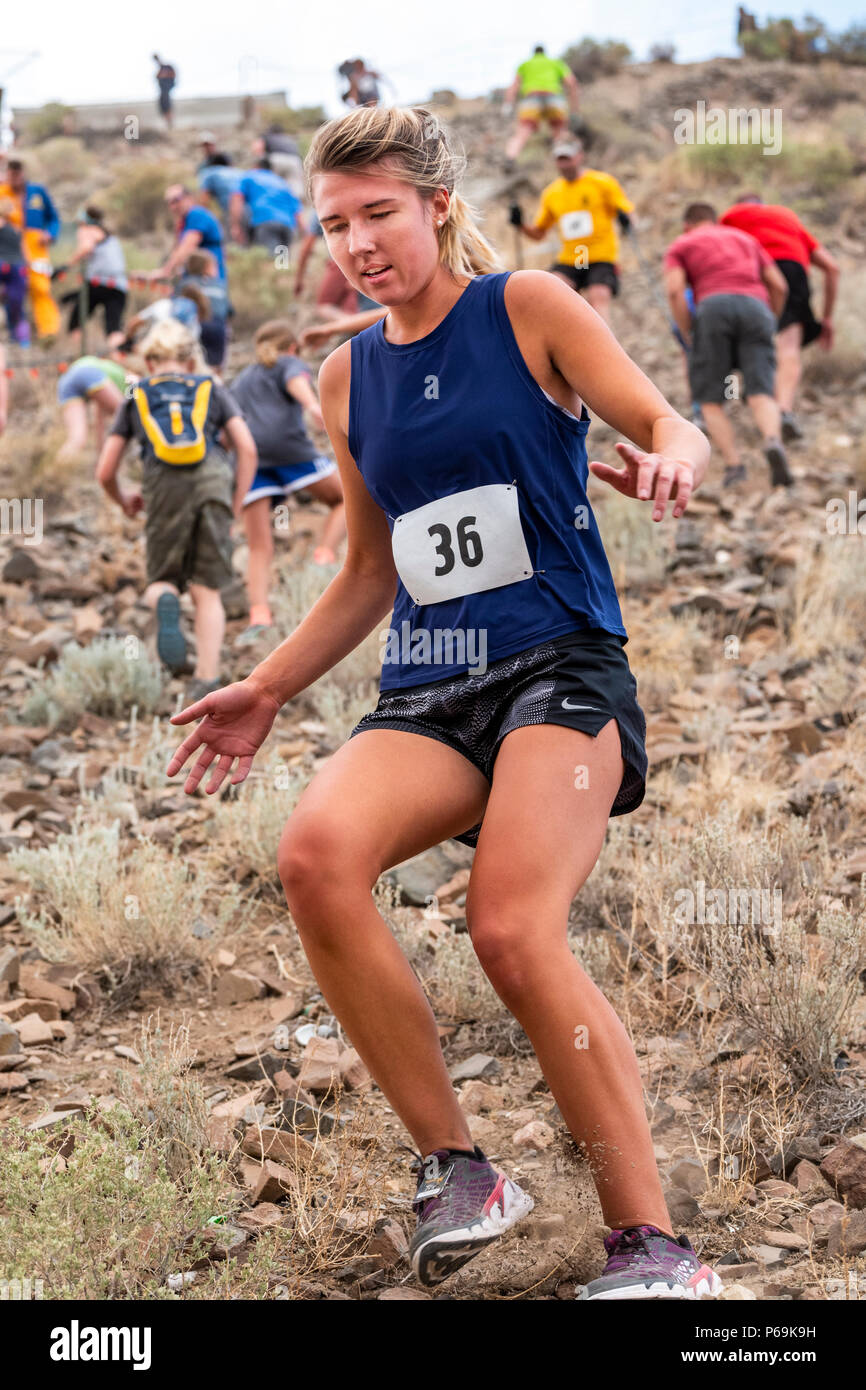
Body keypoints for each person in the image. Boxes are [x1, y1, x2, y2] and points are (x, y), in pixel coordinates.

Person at [166, 104, 723, 1302]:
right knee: (314, 853)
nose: (359, 242)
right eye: (335, 225)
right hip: (429, 685)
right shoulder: (342, 373)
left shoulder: (526, 307)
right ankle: (462, 1171)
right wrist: (264, 689)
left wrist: (677, 452)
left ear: (435, 206)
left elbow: (659, 418)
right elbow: (370, 569)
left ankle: (653, 1248)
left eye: (379, 214)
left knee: (510, 928)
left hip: (560, 671)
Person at [96, 320, 257, 704]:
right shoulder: (212, 388)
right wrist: (235, 504)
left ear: (149, 361)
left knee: (160, 579)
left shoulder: (136, 393)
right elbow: (247, 448)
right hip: (214, 479)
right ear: (190, 360)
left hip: (164, 485)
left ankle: (166, 597)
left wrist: (124, 500)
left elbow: (105, 470)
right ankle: (206, 677)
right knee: (208, 588)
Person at [230, 318, 346, 638]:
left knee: (259, 546)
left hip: (250, 457)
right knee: (345, 498)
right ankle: (323, 556)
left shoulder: (241, 379)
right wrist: (314, 406)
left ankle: (259, 616)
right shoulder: (289, 363)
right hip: (288, 448)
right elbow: (297, 382)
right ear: (292, 347)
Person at [664, 201, 792, 488]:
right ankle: (773, 441)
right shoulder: (746, 239)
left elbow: (674, 291)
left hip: (713, 307)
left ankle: (735, 466)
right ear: (716, 220)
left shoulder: (682, 244)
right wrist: (771, 319)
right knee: (761, 390)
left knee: (710, 399)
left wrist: (687, 333)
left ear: (687, 224)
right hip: (756, 307)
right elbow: (780, 285)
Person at [719, 194, 840, 441]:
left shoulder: (732, 216)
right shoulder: (787, 217)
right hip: (793, 271)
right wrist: (826, 318)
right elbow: (832, 267)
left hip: (753, 273)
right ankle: (784, 410)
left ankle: (754, 395)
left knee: (750, 339)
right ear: (763, 204)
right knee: (789, 347)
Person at [511, 140, 633, 327]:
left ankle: (603, 348)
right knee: (552, 290)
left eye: (567, 158)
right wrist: (520, 224)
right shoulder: (552, 193)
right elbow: (538, 233)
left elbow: (627, 211)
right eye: (560, 160)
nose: (564, 164)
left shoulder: (601, 182)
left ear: (579, 156)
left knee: (598, 295)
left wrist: (626, 221)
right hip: (572, 258)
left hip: (600, 255)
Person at [0, 158, 60, 341]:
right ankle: (15, 334)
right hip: (9, 247)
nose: (15, 177)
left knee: (40, 288)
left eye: (18, 173)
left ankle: (48, 333)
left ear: (23, 173)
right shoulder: (2, 192)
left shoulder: (37, 192)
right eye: (11, 173)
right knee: (11, 292)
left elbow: (54, 218)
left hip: (36, 247)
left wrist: (50, 234)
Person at [59, 206, 128, 349]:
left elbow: (86, 248)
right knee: (114, 328)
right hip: (119, 286)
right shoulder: (110, 236)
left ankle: (80, 356)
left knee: (75, 322)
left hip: (99, 283)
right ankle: (122, 358)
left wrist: (65, 267)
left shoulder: (88, 230)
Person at [294, 208, 382, 318]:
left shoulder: (321, 209)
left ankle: (357, 325)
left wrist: (299, 279)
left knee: (324, 306)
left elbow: (306, 247)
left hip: (340, 263)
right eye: (337, 228)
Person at [503, 44, 580, 169]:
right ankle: (562, 162)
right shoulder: (555, 63)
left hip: (531, 99)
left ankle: (510, 158)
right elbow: (572, 83)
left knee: (523, 131)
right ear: (544, 53)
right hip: (554, 98)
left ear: (534, 53)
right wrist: (574, 110)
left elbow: (514, 86)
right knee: (559, 130)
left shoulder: (525, 64)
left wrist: (508, 104)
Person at [56, 352, 131, 463]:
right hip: (88, 372)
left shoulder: (110, 373)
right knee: (127, 414)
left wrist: (101, 459)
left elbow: (100, 423)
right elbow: (128, 414)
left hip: (67, 379)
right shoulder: (132, 381)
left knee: (77, 438)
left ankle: (56, 469)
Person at [153, 185, 226, 283]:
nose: (173, 206)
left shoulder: (196, 214)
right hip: (197, 279)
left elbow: (187, 248)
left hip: (208, 279)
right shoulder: (184, 222)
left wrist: (166, 271)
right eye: (169, 203)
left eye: (176, 200)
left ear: (189, 198)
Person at [230, 160, 305, 255]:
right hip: (287, 225)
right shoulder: (281, 182)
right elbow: (297, 210)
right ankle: (280, 268)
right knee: (282, 263)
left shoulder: (249, 176)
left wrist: (236, 225)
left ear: (255, 166)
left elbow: (237, 198)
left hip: (265, 221)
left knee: (270, 260)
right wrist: (304, 233)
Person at [178, 250, 232, 370]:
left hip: (193, 326)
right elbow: (229, 311)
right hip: (217, 326)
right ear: (207, 267)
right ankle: (215, 383)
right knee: (216, 365)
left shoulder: (184, 283)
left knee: (192, 360)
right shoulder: (219, 284)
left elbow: (177, 307)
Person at [0, 195, 29, 345]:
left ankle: (19, 337)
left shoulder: (17, 229)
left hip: (16, 267)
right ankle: (18, 336)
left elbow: (25, 251)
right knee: (15, 303)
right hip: (9, 265)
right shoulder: (8, 226)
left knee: (16, 303)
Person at [252, 127, 304, 199]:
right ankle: (294, 202)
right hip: (295, 161)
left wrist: (261, 160)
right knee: (294, 186)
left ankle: (273, 199)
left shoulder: (267, 136)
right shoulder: (289, 138)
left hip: (276, 158)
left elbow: (258, 148)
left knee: (273, 182)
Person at [154, 54, 177, 130]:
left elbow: (173, 77)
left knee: (168, 108)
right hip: (162, 91)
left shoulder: (167, 68)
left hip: (166, 91)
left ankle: (170, 125)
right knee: (163, 108)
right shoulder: (160, 70)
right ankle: (168, 125)